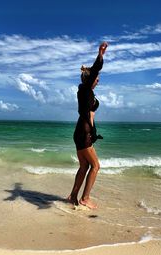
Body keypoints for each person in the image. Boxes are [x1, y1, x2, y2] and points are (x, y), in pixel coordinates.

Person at [68, 42, 108, 209]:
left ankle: (73, 196)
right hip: (83, 133)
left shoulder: (87, 93)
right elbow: (96, 70)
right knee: (95, 166)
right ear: (89, 79)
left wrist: (93, 132)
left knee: (84, 166)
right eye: (95, 78)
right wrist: (100, 54)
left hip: (82, 132)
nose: (98, 80)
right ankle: (85, 198)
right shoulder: (85, 90)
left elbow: (90, 115)